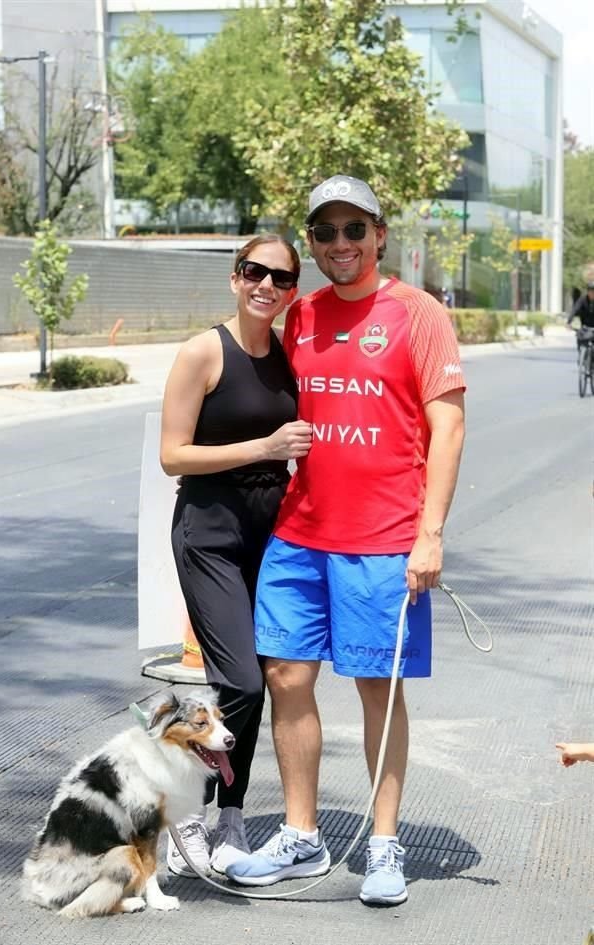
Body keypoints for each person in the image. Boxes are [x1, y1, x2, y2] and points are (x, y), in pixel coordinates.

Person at [226, 175, 466, 906]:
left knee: (376, 689)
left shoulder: (418, 314)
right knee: (288, 678)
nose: (338, 244)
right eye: (324, 232)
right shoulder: (299, 316)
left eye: (352, 230)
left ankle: (385, 842)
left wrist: (431, 534)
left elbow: (448, 425)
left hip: (386, 541)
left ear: (379, 234)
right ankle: (302, 835)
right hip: (300, 534)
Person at [159, 235, 312, 877]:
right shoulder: (203, 352)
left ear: (291, 290)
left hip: (270, 540)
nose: (266, 286)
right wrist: (263, 447)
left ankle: (232, 815)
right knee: (244, 682)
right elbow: (173, 455)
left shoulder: (286, 356)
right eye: (255, 272)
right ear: (234, 277)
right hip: (209, 537)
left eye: (280, 278)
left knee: (258, 683)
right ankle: (187, 808)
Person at [567, 281, 594, 348]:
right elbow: (575, 309)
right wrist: (569, 322)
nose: (592, 293)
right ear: (587, 291)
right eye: (590, 290)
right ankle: (581, 356)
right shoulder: (582, 299)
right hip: (585, 328)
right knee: (580, 339)